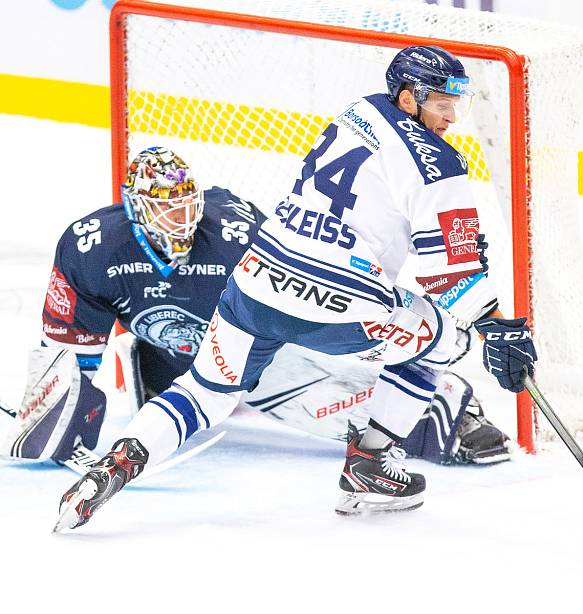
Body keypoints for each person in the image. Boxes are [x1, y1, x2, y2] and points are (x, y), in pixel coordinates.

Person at [54, 45, 536, 530]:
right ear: (408, 98)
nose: (451, 116)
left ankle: (118, 461)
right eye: (440, 104)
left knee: (203, 392)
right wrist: (497, 328)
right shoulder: (440, 164)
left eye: (457, 104)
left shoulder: (362, 110)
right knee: (443, 343)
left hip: (255, 280)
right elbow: (449, 277)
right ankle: (369, 463)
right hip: (343, 303)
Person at [0, 147, 508, 466]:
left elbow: (299, 287)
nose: (180, 216)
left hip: (254, 337)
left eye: (185, 202)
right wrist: (68, 399)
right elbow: (71, 344)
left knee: (328, 388)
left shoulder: (232, 235)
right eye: (165, 206)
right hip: (171, 357)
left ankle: (445, 407)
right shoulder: (92, 246)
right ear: (135, 206)